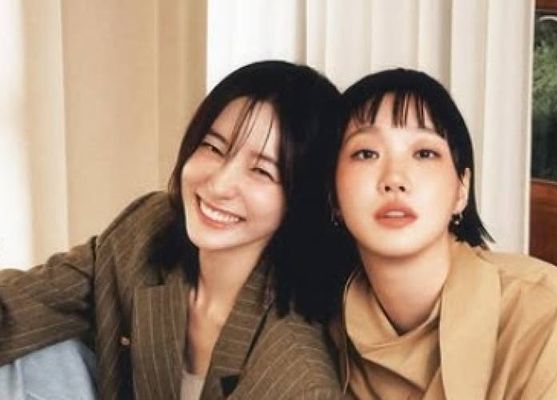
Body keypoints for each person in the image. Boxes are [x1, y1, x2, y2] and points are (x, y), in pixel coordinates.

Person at [0, 61, 344, 399]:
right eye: (213, 147)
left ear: (302, 197)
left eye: (261, 171)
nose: (219, 184)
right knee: (36, 355)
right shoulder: (150, 225)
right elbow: (20, 306)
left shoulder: (296, 370)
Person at [327, 68, 557, 399]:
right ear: (333, 196)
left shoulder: (543, 309)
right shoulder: (325, 324)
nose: (394, 179)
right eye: (366, 153)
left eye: (424, 153)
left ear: (461, 190)